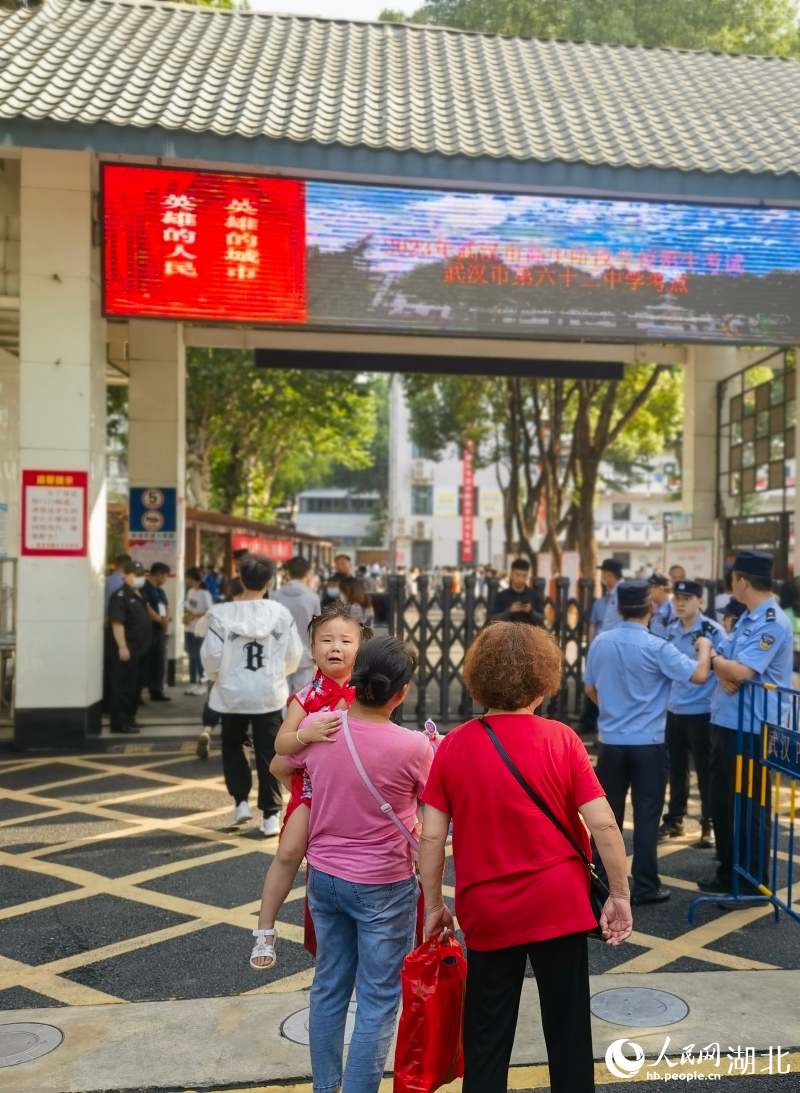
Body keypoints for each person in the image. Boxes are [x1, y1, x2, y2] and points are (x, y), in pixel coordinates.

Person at [420, 622, 632, 1093]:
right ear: (542, 683)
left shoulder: (454, 745)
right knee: (569, 1029)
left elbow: (431, 839)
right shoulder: (562, 740)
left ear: (478, 680)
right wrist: (619, 894)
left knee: (487, 1036)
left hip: (488, 910)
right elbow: (603, 825)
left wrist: (434, 906)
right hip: (560, 903)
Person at [267, 637, 431, 1093]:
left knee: (328, 989)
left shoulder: (321, 726)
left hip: (324, 877)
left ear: (356, 682)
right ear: (400, 693)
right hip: (384, 884)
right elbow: (438, 813)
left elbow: (281, 765)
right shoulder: (413, 746)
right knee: (378, 1001)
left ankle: (326, 1089)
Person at [250, 603, 371, 970]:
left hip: (356, 790)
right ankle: (265, 930)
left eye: (345, 640)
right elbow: (281, 747)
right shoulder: (306, 697)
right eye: (326, 640)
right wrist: (306, 733)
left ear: (360, 648)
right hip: (313, 790)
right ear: (313, 648)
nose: (335, 647)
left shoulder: (369, 693)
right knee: (288, 852)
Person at [584, 580, 713, 904]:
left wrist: (613, 710)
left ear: (617, 608)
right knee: (646, 816)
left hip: (611, 742)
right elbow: (698, 676)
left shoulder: (601, 641)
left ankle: (600, 883)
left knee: (606, 817)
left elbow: (589, 687)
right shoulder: (658, 646)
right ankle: (644, 885)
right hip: (649, 743)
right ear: (651, 608)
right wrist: (706, 650)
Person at [698, 550, 793, 898]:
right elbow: (720, 660)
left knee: (749, 807)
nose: (731, 585)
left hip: (752, 729)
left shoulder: (771, 622)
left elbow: (738, 671)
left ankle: (752, 883)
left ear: (743, 581)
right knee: (723, 803)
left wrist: (721, 663)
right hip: (725, 721)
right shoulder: (749, 618)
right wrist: (722, 663)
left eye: (733, 578)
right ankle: (729, 871)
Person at [201, 557, 302, 834]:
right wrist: (278, 673)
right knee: (269, 751)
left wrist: (217, 677)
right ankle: (270, 816)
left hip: (232, 692)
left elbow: (211, 656)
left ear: (241, 580)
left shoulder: (222, 614)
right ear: (268, 583)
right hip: (268, 692)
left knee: (233, 746)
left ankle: (241, 803)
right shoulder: (280, 613)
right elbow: (293, 653)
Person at [659, 579, 725, 847]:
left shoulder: (713, 631)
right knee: (676, 768)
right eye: (677, 598)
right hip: (674, 709)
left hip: (702, 710)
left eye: (687, 598)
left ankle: (708, 824)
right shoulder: (671, 630)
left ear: (700, 601)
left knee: (706, 770)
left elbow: (723, 667)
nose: (681, 603)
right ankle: (675, 819)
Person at [107, 561, 152, 735]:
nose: (140, 577)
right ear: (127, 576)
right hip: (128, 651)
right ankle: (119, 723)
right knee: (124, 688)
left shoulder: (140, 593)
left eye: (142, 574)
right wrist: (122, 647)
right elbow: (117, 623)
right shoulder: (120, 596)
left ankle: (130, 719)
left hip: (141, 650)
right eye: (136, 574)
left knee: (135, 689)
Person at [272, 556, 322, 694]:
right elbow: (317, 628)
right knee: (302, 697)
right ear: (307, 573)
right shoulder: (312, 598)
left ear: (287, 571)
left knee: (282, 695)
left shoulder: (275, 596)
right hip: (304, 653)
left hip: (281, 652)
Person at [140, 562, 171, 702]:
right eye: (165, 575)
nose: (165, 579)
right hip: (148, 629)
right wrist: (159, 620)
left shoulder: (160, 591)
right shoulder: (144, 588)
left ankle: (156, 690)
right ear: (158, 574)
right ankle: (139, 692)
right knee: (145, 662)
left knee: (158, 661)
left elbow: (166, 606)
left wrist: (167, 620)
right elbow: (146, 608)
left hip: (159, 630)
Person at [183, 567, 213, 695]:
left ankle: (203, 683)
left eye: (187, 578)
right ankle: (192, 682)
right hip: (189, 627)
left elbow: (209, 610)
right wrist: (186, 616)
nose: (186, 580)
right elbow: (188, 606)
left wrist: (195, 614)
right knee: (191, 656)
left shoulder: (204, 593)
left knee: (199, 656)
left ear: (192, 578)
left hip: (200, 629)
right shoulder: (190, 591)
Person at [490, 557, 544, 625]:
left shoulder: (534, 595)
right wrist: (510, 611)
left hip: (528, 634)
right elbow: (494, 619)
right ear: (511, 574)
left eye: (524, 576)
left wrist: (531, 611)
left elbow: (541, 618)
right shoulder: (502, 596)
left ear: (527, 576)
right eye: (518, 575)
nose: (521, 579)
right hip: (507, 634)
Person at [589, 558, 625, 639]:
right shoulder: (612, 594)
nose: (601, 577)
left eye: (602, 574)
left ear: (609, 575)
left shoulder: (622, 592)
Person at [648, 571, 676, 638]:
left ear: (660, 588)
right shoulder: (655, 606)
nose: (648, 590)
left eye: (650, 587)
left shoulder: (673, 609)